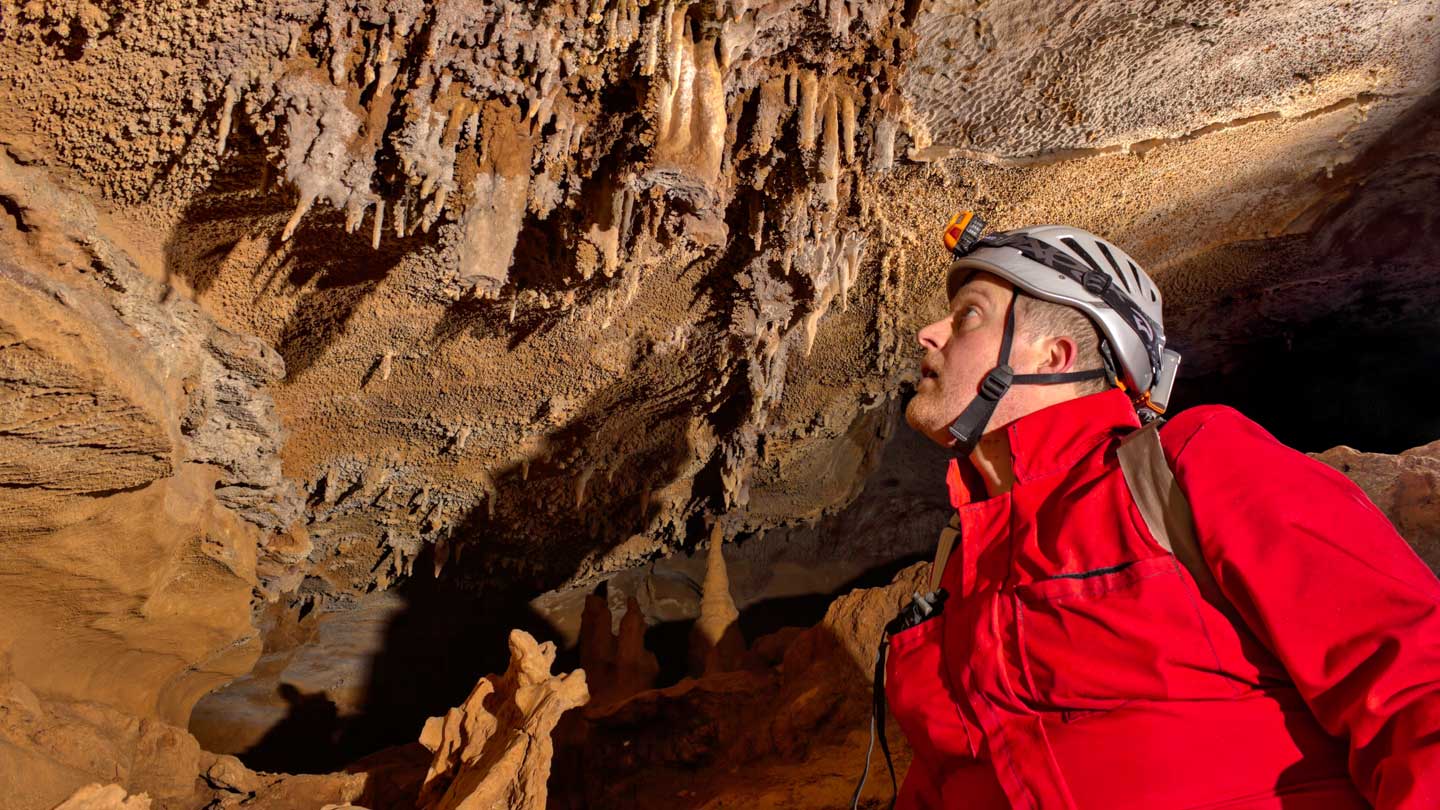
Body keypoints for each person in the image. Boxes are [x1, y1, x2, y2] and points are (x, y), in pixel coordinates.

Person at [883, 215, 1440, 809]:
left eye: (968, 314)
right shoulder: (960, 563)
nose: (928, 333)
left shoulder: (1188, 467)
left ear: (1053, 355)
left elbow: (1414, 685)